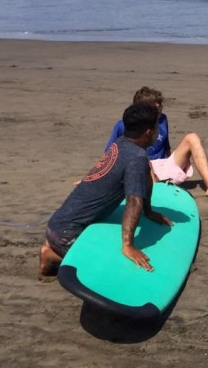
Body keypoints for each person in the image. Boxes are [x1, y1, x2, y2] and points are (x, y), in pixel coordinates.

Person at [40, 103, 173, 279]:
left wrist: (148, 211)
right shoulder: (136, 157)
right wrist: (128, 245)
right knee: (111, 269)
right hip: (67, 234)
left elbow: (146, 179)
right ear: (149, 132)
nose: (158, 131)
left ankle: (55, 250)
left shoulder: (121, 143)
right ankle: (54, 256)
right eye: (156, 127)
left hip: (57, 224)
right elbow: (134, 201)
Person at [106, 86, 208, 201]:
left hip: (163, 167)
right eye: (156, 109)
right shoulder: (124, 125)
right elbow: (110, 153)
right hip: (141, 169)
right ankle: (156, 193)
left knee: (192, 138)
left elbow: (166, 146)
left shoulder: (163, 119)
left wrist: (179, 161)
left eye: (160, 107)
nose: (160, 111)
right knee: (142, 155)